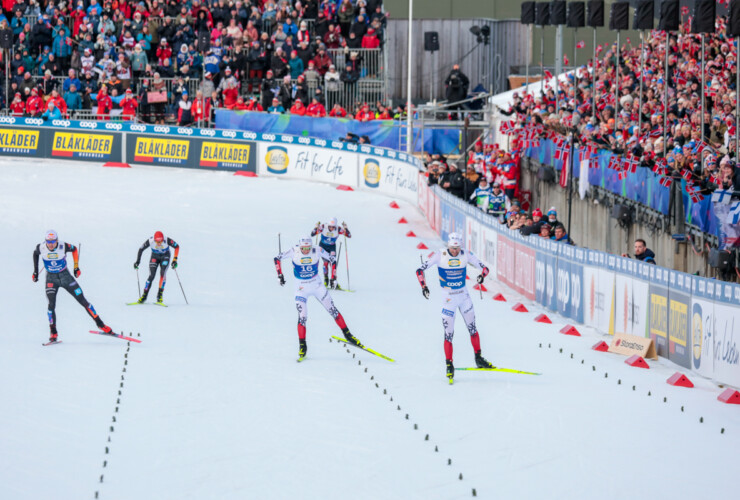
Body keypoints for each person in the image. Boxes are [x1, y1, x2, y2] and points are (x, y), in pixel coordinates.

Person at [415, 232, 494, 383]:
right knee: (449, 334)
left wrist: (481, 276)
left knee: (472, 328)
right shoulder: (440, 255)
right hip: (449, 300)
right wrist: (424, 286)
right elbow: (420, 270)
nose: (455, 251)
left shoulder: (465, 254)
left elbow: (484, 268)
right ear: (448, 246)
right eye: (452, 248)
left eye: (457, 248)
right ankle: (449, 364)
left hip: (464, 297)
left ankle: (478, 358)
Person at [274, 237, 361, 360]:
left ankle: (348, 334)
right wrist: (280, 275)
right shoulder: (294, 250)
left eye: (308, 248)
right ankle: (302, 346)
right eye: (303, 248)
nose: (305, 251)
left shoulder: (317, 249)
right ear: (300, 247)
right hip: (301, 288)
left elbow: (332, 259)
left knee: (332, 310)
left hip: (316, 285)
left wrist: (333, 277)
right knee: (302, 316)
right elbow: (277, 258)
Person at [32, 230, 113, 343]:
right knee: (51, 305)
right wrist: (35, 272)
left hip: (66, 277)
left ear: (57, 240)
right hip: (51, 279)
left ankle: (101, 324)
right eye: (48, 241)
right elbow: (35, 254)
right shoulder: (41, 247)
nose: (50, 244)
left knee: (83, 301)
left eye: (53, 241)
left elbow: (74, 249)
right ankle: (53, 332)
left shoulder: (63, 246)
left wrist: (76, 267)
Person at [133, 231, 180, 304]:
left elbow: (177, 246)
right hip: (155, 256)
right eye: (157, 241)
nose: (158, 243)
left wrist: (175, 260)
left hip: (165, 256)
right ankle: (144, 296)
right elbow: (141, 249)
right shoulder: (150, 240)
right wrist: (137, 262)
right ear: (154, 240)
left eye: (160, 241)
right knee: (151, 276)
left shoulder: (166, 239)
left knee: (162, 273)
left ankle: (159, 296)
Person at [310, 218, 351, 288]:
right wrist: (316, 227)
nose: (331, 228)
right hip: (323, 247)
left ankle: (333, 281)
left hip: (332, 247)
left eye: (333, 227)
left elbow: (349, 235)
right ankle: (326, 279)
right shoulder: (323, 227)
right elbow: (312, 234)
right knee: (326, 262)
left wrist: (346, 228)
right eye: (330, 226)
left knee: (333, 263)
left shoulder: (338, 229)